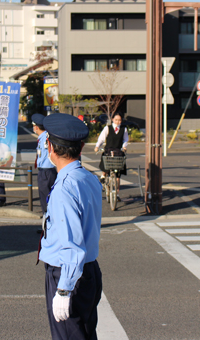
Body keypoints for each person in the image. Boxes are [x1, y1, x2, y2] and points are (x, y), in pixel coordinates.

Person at [39, 113, 103, 340]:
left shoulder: (64, 187)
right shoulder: (88, 178)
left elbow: (71, 246)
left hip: (67, 273)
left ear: (50, 148)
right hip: (89, 270)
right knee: (85, 333)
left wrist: (64, 290)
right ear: (82, 147)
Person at [94, 112, 128, 196]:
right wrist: (97, 146)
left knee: (118, 175)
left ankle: (117, 194)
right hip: (108, 150)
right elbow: (101, 138)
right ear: (112, 120)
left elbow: (125, 140)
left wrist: (124, 147)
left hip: (118, 151)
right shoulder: (107, 128)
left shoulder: (124, 129)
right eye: (116, 120)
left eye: (119, 120)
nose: (118, 122)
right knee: (105, 164)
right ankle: (103, 176)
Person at [32, 113, 57, 214]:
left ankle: (48, 224)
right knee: (48, 198)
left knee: (45, 198)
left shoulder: (45, 139)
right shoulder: (46, 136)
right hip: (49, 170)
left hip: (46, 171)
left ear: (36, 127)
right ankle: (47, 224)